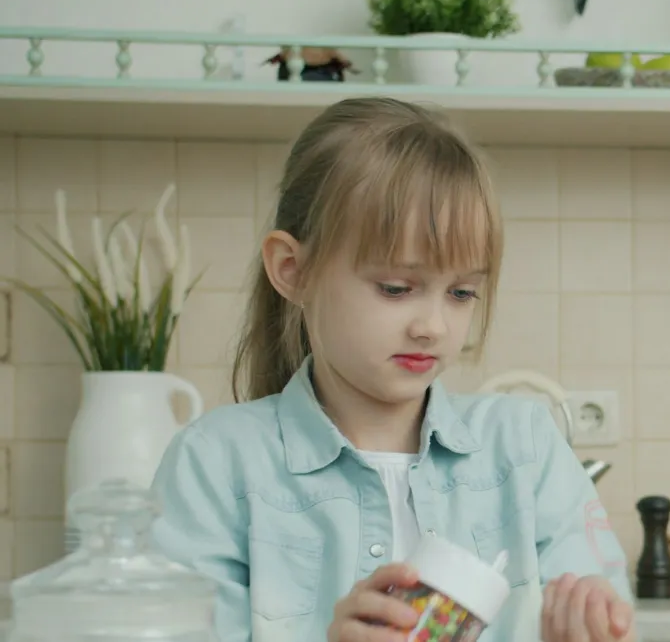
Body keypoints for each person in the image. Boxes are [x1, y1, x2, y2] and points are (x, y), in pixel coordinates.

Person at [149, 97, 637, 642]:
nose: (432, 325)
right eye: (396, 289)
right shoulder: (215, 465)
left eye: (461, 292)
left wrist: (596, 623)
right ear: (293, 271)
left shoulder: (525, 448)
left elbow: (603, 604)